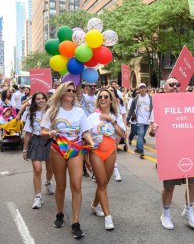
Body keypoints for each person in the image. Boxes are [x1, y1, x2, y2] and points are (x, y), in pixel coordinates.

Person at [149, 77, 194, 230]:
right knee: (169, 187)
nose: (175, 87)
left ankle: (189, 210)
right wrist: (152, 129)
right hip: (170, 152)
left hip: (190, 150)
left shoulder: (190, 102)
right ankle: (166, 214)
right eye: (171, 84)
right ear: (165, 86)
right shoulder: (159, 105)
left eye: (178, 84)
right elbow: (151, 131)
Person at [41, 81, 95, 239]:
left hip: (76, 150)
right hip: (57, 149)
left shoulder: (79, 112)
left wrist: (91, 143)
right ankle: (59, 214)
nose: (71, 92)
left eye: (73, 90)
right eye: (68, 90)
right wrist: (50, 133)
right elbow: (42, 131)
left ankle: (76, 223)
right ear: (62, 92)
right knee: (61, 186)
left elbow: (85, 132)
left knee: (76, 185)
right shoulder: (53, 111)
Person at [88, 89, 126, 230]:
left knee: (103, 183)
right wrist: (86, 158)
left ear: (111, 100)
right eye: (100, 97)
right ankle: (108, 217)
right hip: (95, 152)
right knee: (102, 183)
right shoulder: (92, 117)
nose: (103, 98)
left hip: (110, 152)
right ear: (98, 100)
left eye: (106, 97)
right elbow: (86, 136)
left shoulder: (115, 116)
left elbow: (123, 134)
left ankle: (94, 205)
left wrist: (113, 121)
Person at [22, 92, 54, 209]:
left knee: (50, 169)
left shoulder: (53, 112)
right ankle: (38, 197)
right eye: (37, 99)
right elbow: (28, 133)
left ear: (46, 100)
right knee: (37, 169)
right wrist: (25, 149)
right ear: (34, 101)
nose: (40, 101)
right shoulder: (31, 114)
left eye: (42, 98)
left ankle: (49, 182)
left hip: (50, 141)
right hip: (36, 141)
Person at [126, 83, 153, 157]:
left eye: (144, 87)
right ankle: (140, 150)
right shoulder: (136, 99)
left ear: (146, 89)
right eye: (141, 88)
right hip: (139, 120)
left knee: (143, 135)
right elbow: (131, 110)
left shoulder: (150, 98)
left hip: (147, 120)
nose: (143, 89)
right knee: (140, 135)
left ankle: (138, 148)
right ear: (139, 90)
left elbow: (154, 108)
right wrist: (127, 119)